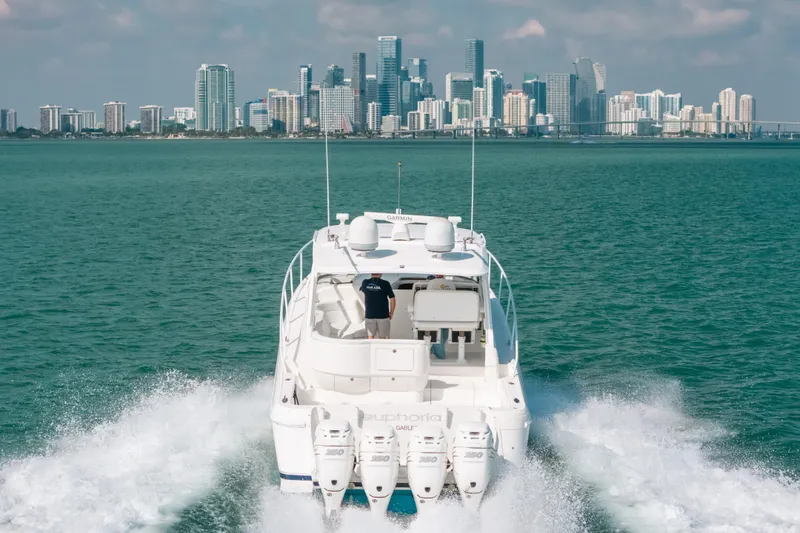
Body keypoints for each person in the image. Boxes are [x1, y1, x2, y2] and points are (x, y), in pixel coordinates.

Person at [426, 275, 455, 359]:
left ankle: (434, 349)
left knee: (443, 334)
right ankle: (440, 354)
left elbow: (428, 297)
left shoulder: (431, 283)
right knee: (443, 333)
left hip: (435, 311)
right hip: (447, 312)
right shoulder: (450, 283)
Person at [360, 273, 396, 339]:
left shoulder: (365, 282)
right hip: (383, 316)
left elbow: (364, 295)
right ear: (381, 274)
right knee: (383, 339)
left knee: (370, 338)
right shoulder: (385, 283)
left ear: (371, 273)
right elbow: (392, 299)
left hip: (369, 315)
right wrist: (391, 313)